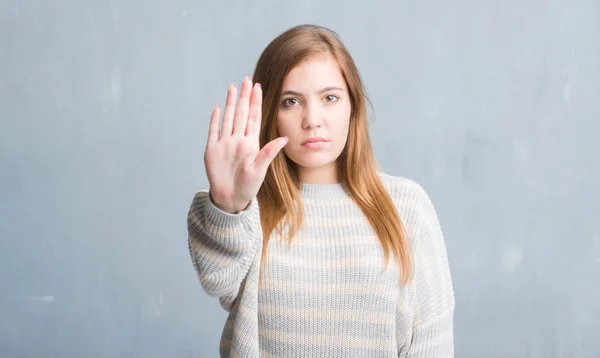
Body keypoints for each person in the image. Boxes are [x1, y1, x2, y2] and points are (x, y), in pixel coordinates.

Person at [187, 24, 455, 358]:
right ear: (270, 112)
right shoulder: (248, 211)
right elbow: (218, 281)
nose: (312, 119)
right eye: (291, 101)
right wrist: (229, 207)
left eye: (329, 98)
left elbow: (431, 343)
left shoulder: (407, 208)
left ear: (352, 105)